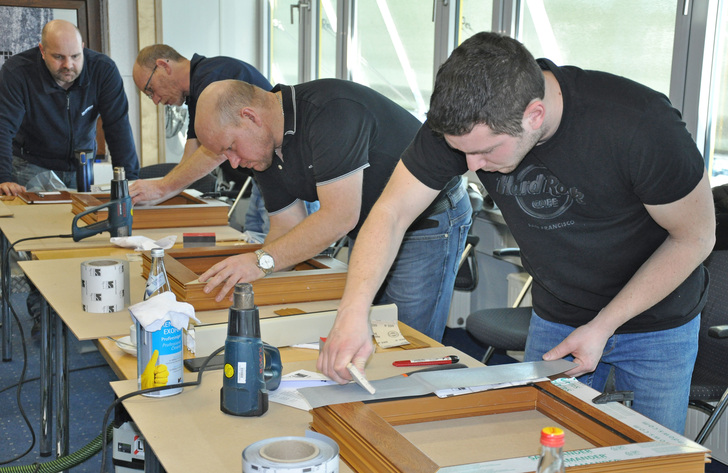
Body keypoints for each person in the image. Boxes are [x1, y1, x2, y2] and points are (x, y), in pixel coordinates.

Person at [318, 32, 715, 435]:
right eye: (463, 152)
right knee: (544, 446)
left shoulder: (640, 124)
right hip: (558, 314)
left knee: (653, 455)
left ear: (535, 116)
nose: (471, 165)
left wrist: (604, 324)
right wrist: (353, 313)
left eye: (487, 151)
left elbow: (695, 237)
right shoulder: (466, 125)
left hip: (658, 323)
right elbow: (390, 213)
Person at [194, 79, 472, 341]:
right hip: (372, 220)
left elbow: (339, 217)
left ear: (250, 117)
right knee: (369, 324)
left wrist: (259, 262)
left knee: (405, 334)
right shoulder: (263, 151)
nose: (233, 162)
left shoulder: (330, 113)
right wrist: (255, 287)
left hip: (427, 219)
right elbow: (286, 227)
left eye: (230, 147)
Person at [0, 19, 139, 195]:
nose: (68, 65)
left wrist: (130, 181)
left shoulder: (103, 70)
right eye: (58, 57)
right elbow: (3, 128)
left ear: (82, 47)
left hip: (81, 168)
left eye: (75, 56)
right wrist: (3, 178)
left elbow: (118, 127)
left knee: (81, 220)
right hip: (31, 165)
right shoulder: (17, 72)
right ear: (42, 51)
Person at [129, 44, 272, 206]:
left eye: (150, 90)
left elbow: (218, 149)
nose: (156, 100)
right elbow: (189, 158)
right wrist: (151, 198)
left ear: (163, 66)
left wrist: (162, 187)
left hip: (282, 173)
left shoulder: (213, 79)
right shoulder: (196, 91)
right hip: (263, 179)